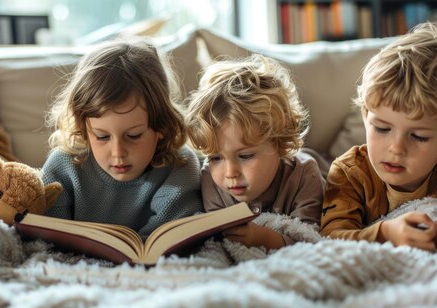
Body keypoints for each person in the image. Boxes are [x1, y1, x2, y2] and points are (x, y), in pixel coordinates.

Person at [320, 22, 437, 252]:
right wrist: (386, 233)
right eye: (383, 129)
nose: (396, 148)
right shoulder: (350, 172)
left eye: (418, 136)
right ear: (366, 116)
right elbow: (329, 238)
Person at [41, 38, 203, 238]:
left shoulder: (180, 165)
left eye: (133, 136)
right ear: (83, 128)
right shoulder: (62, 166)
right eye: (102, 137)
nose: (118, 152)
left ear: (162, 126)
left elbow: (172, 233)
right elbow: (48, 237)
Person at [184, 54, 324, 250]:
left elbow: (313, 240)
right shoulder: (210, 179)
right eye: (216, 158)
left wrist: (265, 238)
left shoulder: (305, 175)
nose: (230, 173)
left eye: (245, 156)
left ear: (280, 144)